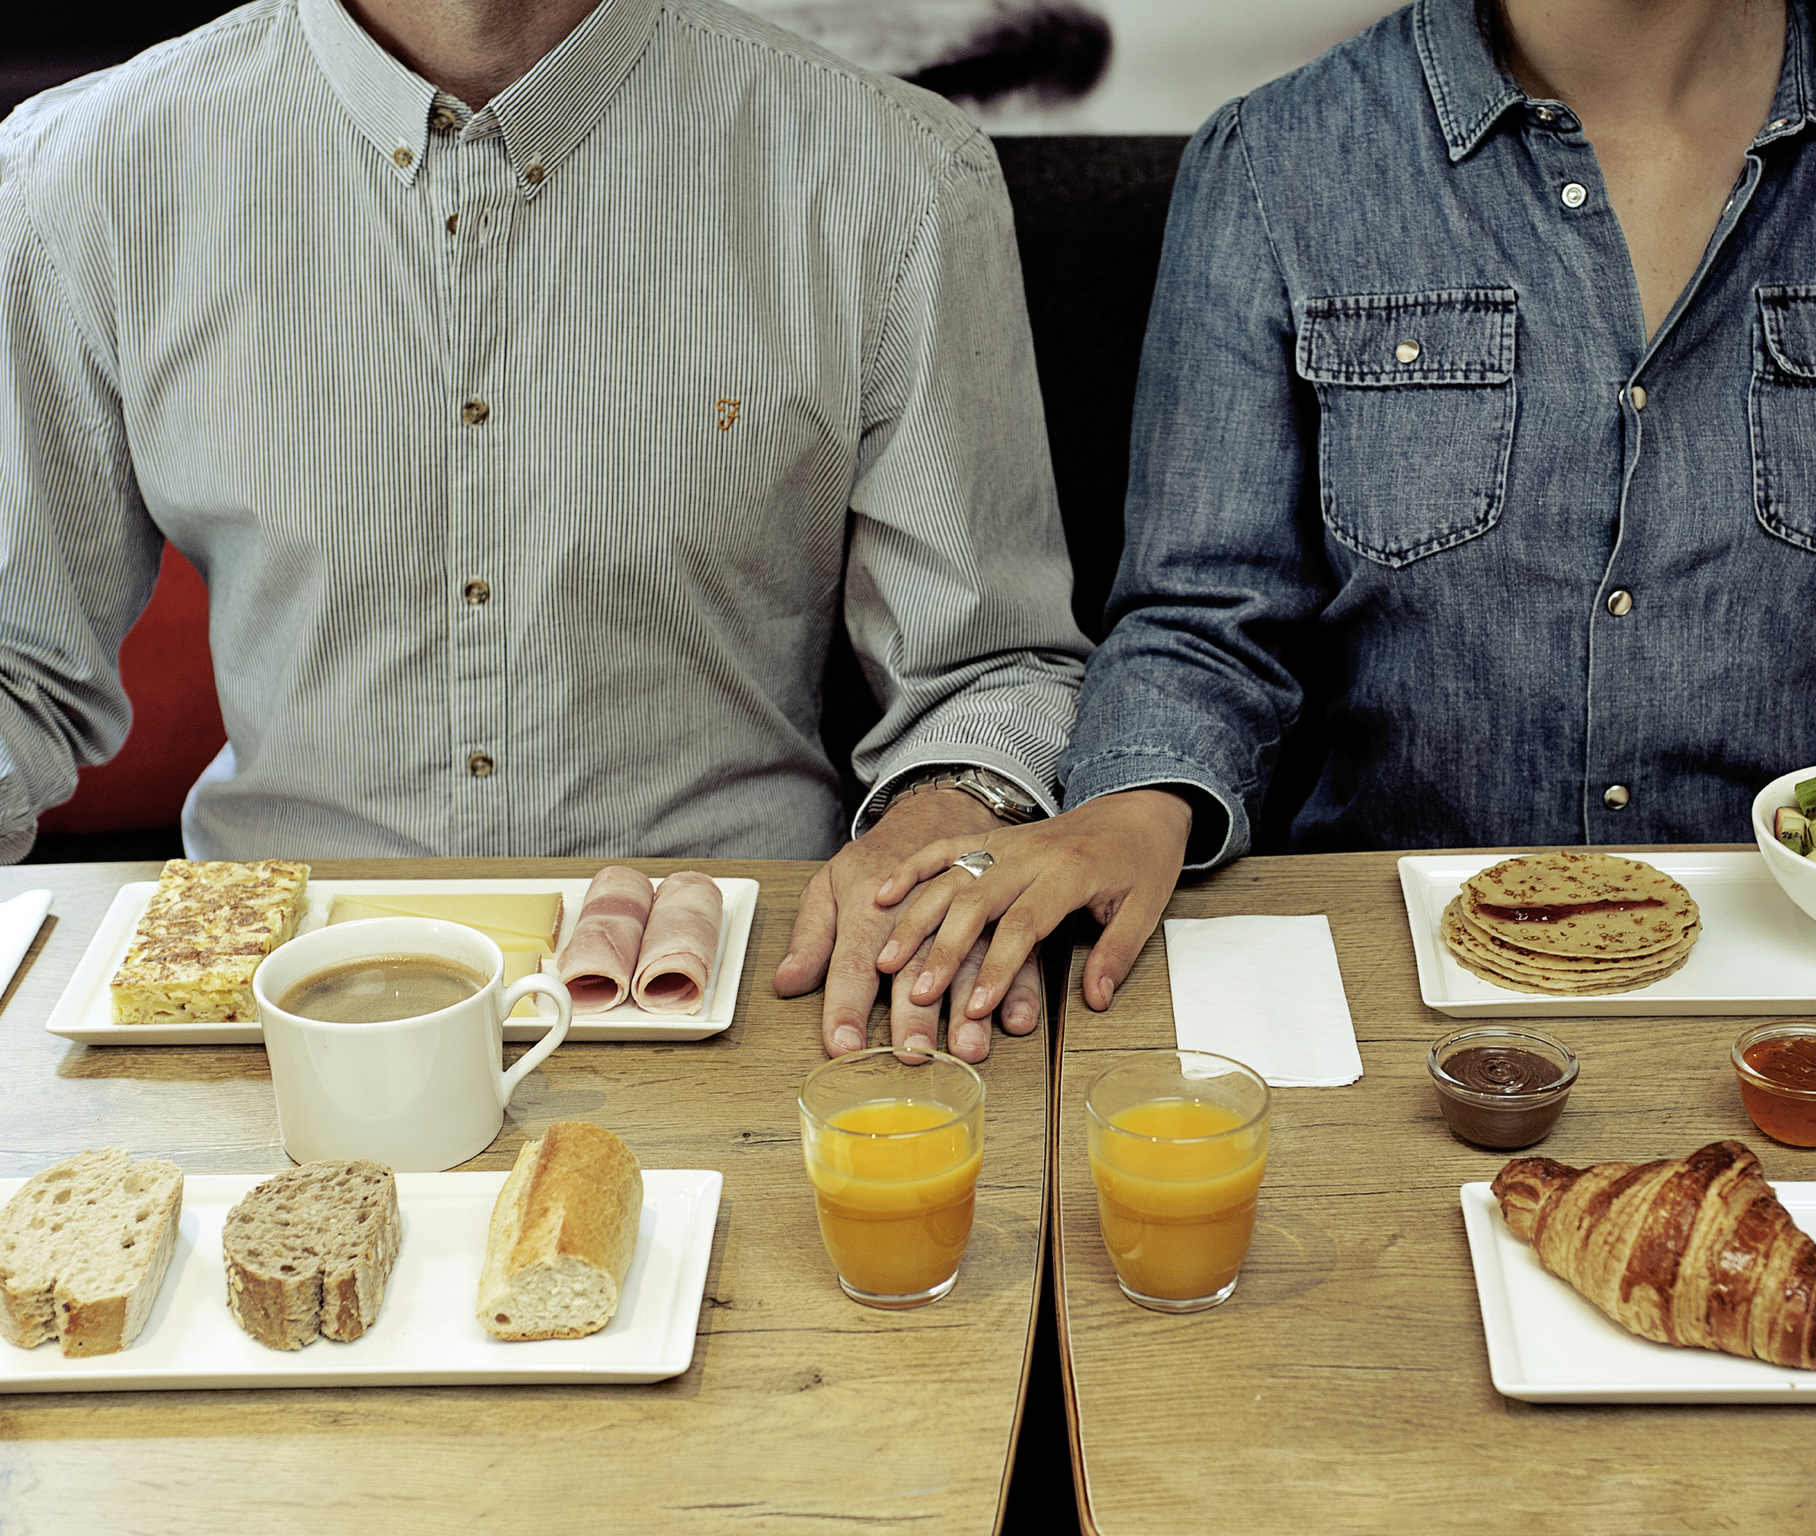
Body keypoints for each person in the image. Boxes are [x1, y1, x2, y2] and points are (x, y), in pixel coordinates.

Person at [867, 0, 1816, 1018]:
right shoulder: (1278, 161)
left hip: (1815, 971)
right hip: (1385, 962)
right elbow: (1203, 615)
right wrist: (1134, 799)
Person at [0, 0, 1091, 1059]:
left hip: (744, 982)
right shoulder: (80, 175)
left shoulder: (892, 175)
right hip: (258, 998)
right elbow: (16, 668)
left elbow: (990, 670)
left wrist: (939, 824)